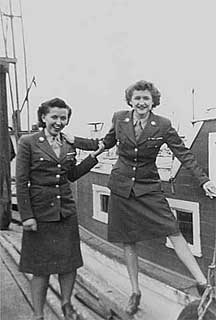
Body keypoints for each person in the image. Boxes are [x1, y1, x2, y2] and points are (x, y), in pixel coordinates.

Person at [97, 80, 216, 315]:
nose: (141, 102)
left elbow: (184, 154)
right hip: (121, 187)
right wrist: (77, 143)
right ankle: (135, 291)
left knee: (173, 230)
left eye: (146, 99)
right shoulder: (119, 118)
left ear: (153, 102)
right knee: (128, 240)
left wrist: (205, 180)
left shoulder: (162, 125)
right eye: (137, 98)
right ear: (130, 100)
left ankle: (203, 283)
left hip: (148, 187)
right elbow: (105, 143)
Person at [16, 98, 101, 320]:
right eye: (54, 117)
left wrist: (92, 158)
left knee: (69, 263)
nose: (59, 122)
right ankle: (38, 314)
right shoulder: (28, 142)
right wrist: (27, 216)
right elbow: (22, 181)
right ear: (43, 117)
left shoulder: (68, 143)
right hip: (40, 213)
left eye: (63, 118)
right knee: (40, 268)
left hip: (65, 212)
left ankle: (66, 305)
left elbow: (70, 175)